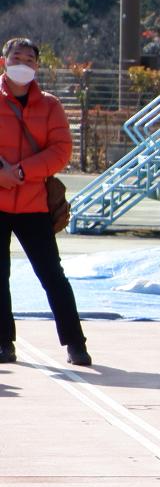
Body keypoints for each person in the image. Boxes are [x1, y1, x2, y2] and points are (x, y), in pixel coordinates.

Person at [0, 37, 88, 367]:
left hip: (34, 204)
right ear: (3, 61)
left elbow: (61, 150)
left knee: (52, 274)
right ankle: (3, 343)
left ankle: (75, 343)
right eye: (16, 57)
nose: (22, 63)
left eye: (29, 59)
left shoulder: (50, 106)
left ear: (37, 66)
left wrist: (22, 172)